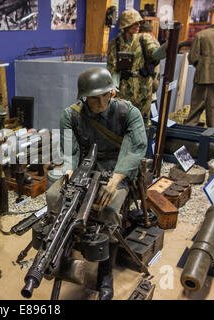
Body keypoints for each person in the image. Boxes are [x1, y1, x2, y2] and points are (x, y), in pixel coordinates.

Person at [48, 67, 147, 300]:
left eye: (106, 94)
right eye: (94, 96)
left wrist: (116, 179)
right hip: (85, 168)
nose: (101, 100)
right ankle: (62, 250)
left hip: (117, 168)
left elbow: (135, 148)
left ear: (112, 92)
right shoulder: (70, 115)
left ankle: (105, 271)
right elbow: (69, 149)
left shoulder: (127, 113)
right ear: (84, 97)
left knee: (109, 211)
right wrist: (70, 171)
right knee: (55, 197)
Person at [107, 9, 166, 125]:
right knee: (122, 121)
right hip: (124, 90)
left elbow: (154, 54)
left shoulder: (144, 39)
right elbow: (112, 67)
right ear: (126, 25)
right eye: (135, 23)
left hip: (143, 89)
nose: (138, 25)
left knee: (143, 122)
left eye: (139, 23)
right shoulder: (115, 43)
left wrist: (165, 48)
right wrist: (112, 87)